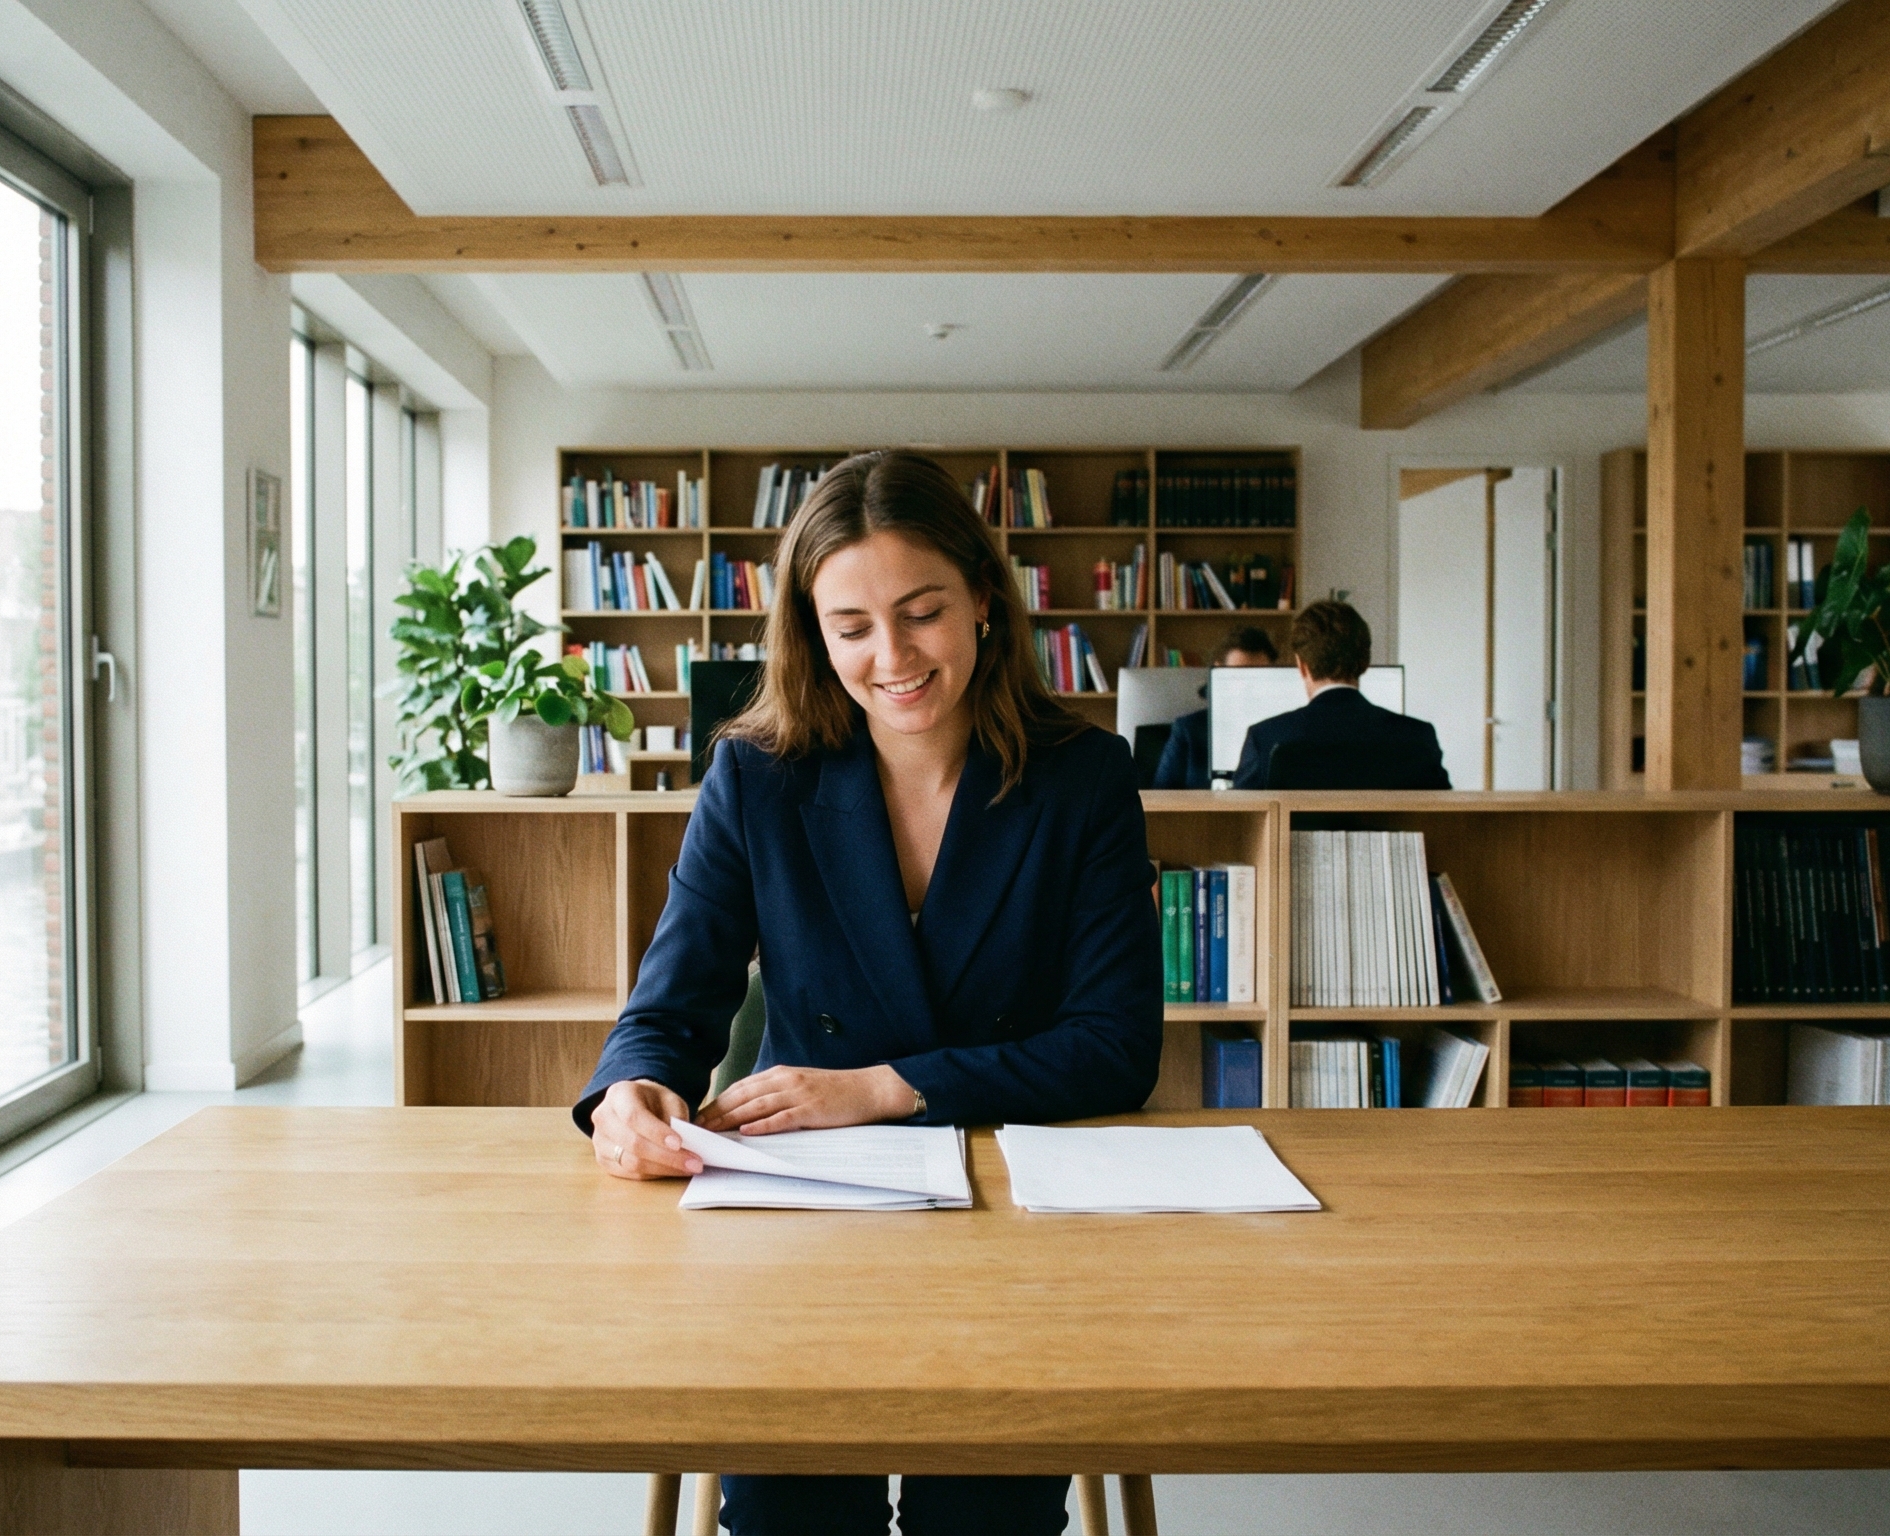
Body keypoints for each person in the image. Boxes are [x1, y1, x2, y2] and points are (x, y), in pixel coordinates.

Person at [575, 449, 1162, 1536]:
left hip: (1012, 1209)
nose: (891, 656)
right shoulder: (755, 774)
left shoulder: (1083, 777)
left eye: (921, 610)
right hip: (805, 1209)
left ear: (984, 600)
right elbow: (668, 1006)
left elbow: (1115, 1047)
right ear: (813, 633)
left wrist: (885, 1086)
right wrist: (631, 1090)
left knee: (980, 1523)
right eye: (851, 627)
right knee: (791, 1516)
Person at [1228, 600, 1451, 790]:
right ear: (1365, 663)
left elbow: (1241, 823)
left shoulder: (1265, 738)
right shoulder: (1418, 737)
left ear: (1302, 666)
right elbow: (1441, 822)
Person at [1151, 627, 1280, 789]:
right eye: (1239, 676)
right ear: (1219, 673)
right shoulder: (1187, 730)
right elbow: (1160, 798)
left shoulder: (1281, 731)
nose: (1248, 687)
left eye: (1258, 677)